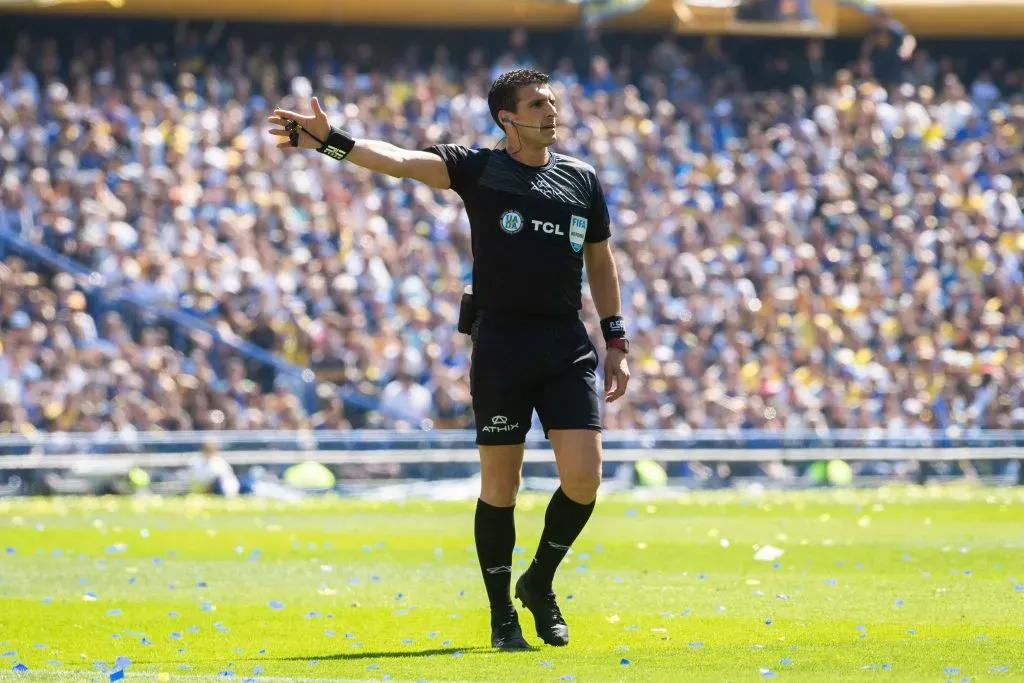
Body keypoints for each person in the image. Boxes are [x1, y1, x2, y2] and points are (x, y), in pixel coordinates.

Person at [267, 68, 631, 650]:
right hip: (502, 346)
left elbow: (601, 261)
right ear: (506, 118)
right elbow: (402, 161)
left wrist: (616, 340)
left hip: (567, 345)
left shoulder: (582, 179)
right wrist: (334, 141)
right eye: (538, 103)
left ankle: (539, 583)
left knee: (585, 479)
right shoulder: (479, 168)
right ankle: (501, 618)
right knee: (500, 488)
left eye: (553, 103)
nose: (551, 112)